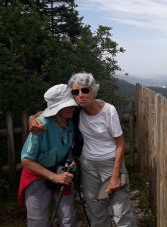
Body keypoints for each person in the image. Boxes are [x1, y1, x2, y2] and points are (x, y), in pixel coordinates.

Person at [29, 72, 136, 227]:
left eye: (85, 90)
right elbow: (44, 114)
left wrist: (115, 175)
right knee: (96, 212)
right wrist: (31, 119)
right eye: (75, 92)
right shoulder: (76, 111)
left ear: (93, 91)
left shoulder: (109, 111)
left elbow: (120, 144)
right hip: (88, 166)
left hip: (111, 163)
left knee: (121, 213)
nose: (80, 95)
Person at [18, 84, 78, 227]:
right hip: (37, 174)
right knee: (38, 220)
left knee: (68, 218)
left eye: (72, 104)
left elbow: (69, 147)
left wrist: (71, 161)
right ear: (56, 109)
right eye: (67, 105)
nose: (72, 107)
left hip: (61, 171)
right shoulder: (41, 125)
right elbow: (26, 160)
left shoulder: (70, 122)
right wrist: (54, 177)